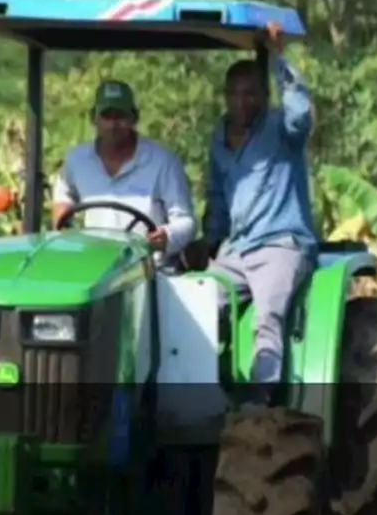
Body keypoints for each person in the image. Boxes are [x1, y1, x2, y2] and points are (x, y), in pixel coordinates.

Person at [183, 22, 318, 398]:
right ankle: (201, 396)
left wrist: (278, 58)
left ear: (263, 95)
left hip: (279, 244)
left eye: (252, 94)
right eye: (236, 94)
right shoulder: (219, 136)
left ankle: (263, 405)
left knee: (268, 317)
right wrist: (207, 243)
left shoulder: (281, 128)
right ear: (226, 97)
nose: (244, 102)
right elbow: (219, 196)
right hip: (236, 250)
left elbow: (301, 113)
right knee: (193, 306)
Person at [52, 80, 195, 265]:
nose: (113, 125)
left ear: (134, 118)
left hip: (149, 271)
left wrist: (166, 236)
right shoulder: (77, 160)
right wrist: (63, 222)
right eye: (107, 116)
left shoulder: (162, 162)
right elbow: (62, 198)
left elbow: (185, 221)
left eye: (120, 116)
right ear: (93, 118)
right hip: (94, 268)